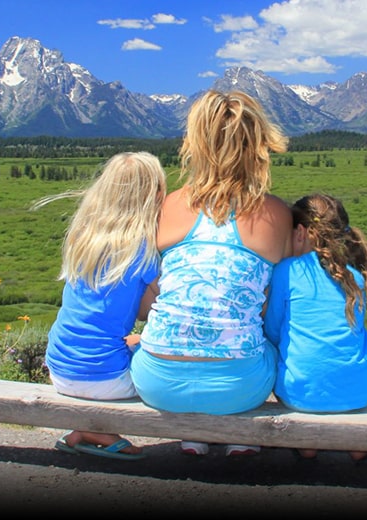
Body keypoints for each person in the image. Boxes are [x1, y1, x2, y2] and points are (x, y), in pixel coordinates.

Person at [130, 90, 293, 457]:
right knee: (263, 338)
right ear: (258, 146)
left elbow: (154, 293)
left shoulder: (168, 206)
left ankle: (194, 436)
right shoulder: (276, 215)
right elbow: (273, 303)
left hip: (157, 381)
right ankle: (238, 432)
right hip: (240, 384)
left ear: (195, 143)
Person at [30, 151, 166, 461]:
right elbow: (166, 306)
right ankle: (98, 431)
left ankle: (83, 429)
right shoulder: (144, 248)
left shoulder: (82, 237)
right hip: (106, 380)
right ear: (155, 195)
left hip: (60, 367)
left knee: (128, 341)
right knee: (172, 359)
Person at [263, 193, 367, 460]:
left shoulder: (287, 271)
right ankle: (354, 444)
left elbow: (273, 330)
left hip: (300, 394)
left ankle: (307, 445)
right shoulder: (354, 276)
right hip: (357, 393)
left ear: (301, 232)